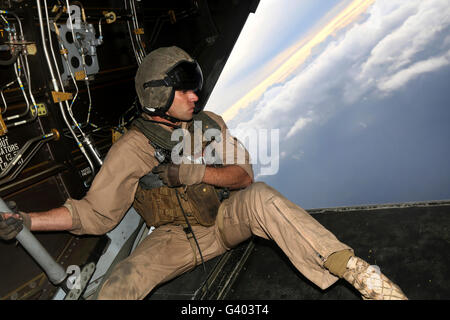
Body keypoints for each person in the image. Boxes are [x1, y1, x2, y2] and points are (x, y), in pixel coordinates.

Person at [0, 46, 407, 300]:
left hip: (223, 219)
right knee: (119, 285)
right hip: (172, 239)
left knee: (264, 197)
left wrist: (198, 175)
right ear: (158, 95)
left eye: (196, 86)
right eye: (185, 89)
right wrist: (26, 221)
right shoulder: (131, 150)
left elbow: (243, 176)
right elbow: (94, 216)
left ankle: (361, 276)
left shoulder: (209, 123)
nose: (196, 96)